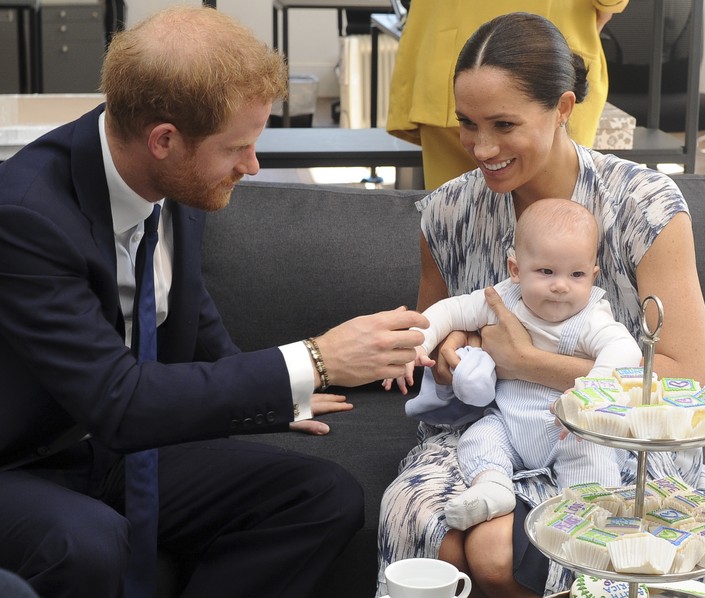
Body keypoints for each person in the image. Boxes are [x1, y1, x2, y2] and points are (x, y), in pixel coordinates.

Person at [376, 12, 705, 598]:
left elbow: (689, 378)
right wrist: (448, 353)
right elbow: (435, 335)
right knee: (428, 526)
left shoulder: (643, 204)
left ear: (563, 108)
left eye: (504, 124)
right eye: (467, 123)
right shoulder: (447, 212)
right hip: (488, 428)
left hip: (618, 438)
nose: (481, 147)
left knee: (494, 552)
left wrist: (526, 362)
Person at [0, 6, 427, 598]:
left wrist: (276, 394)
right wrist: (315, 359)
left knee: (323, 497)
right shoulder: (27, 216)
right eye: (237, 148)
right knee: (89, 545)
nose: (251, 166)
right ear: (165, 140)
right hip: (21, 460)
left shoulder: (171, 181)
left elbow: (185, 308)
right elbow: (118, 400)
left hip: (111, 447)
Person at [385, 199, 642, 531]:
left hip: (569, 429)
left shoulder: (591, 316)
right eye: (546, 271)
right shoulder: (503, 299)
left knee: (594, 456)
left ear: (593, 276)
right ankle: (493, 488)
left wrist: (591, 393)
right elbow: (451, 310)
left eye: (576, 274)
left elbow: (625, 349)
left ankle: (586, 515)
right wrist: (417, 344)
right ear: (516, 270)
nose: (561, 285)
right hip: (509, 423)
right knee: (479, 439)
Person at [385, 0, 629, 190]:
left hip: (446, 58)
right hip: (549, 67)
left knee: (456, 222)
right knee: (558, 221)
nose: (484, 150)